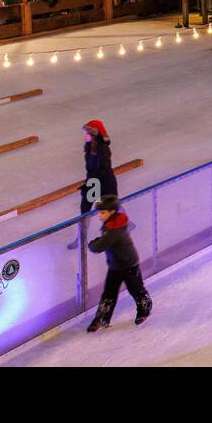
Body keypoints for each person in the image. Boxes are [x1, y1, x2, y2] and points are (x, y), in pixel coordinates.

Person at [86, 195, 153, 331]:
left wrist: (92, 243)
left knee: (135, 289)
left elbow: (98, 247)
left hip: (128, 265)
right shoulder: (112, 224)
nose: (99, 216)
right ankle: (102, 318)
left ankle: (144, 308)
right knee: (109, 293)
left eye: (102, 212)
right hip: (115, 265)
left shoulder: (114, 230)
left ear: (112, 212)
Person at [72, 120, 117, 247]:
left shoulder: (103, 149)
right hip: (93, 182)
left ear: (94, 135)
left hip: (105, 184)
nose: (84, 135)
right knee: (85, 210)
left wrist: (90, 184)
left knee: (108, 210)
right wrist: (88, 183)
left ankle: (110, 237)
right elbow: (90, 169)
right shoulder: (88, 148)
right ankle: (81, 238)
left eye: (86, 133)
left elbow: (102, 169)